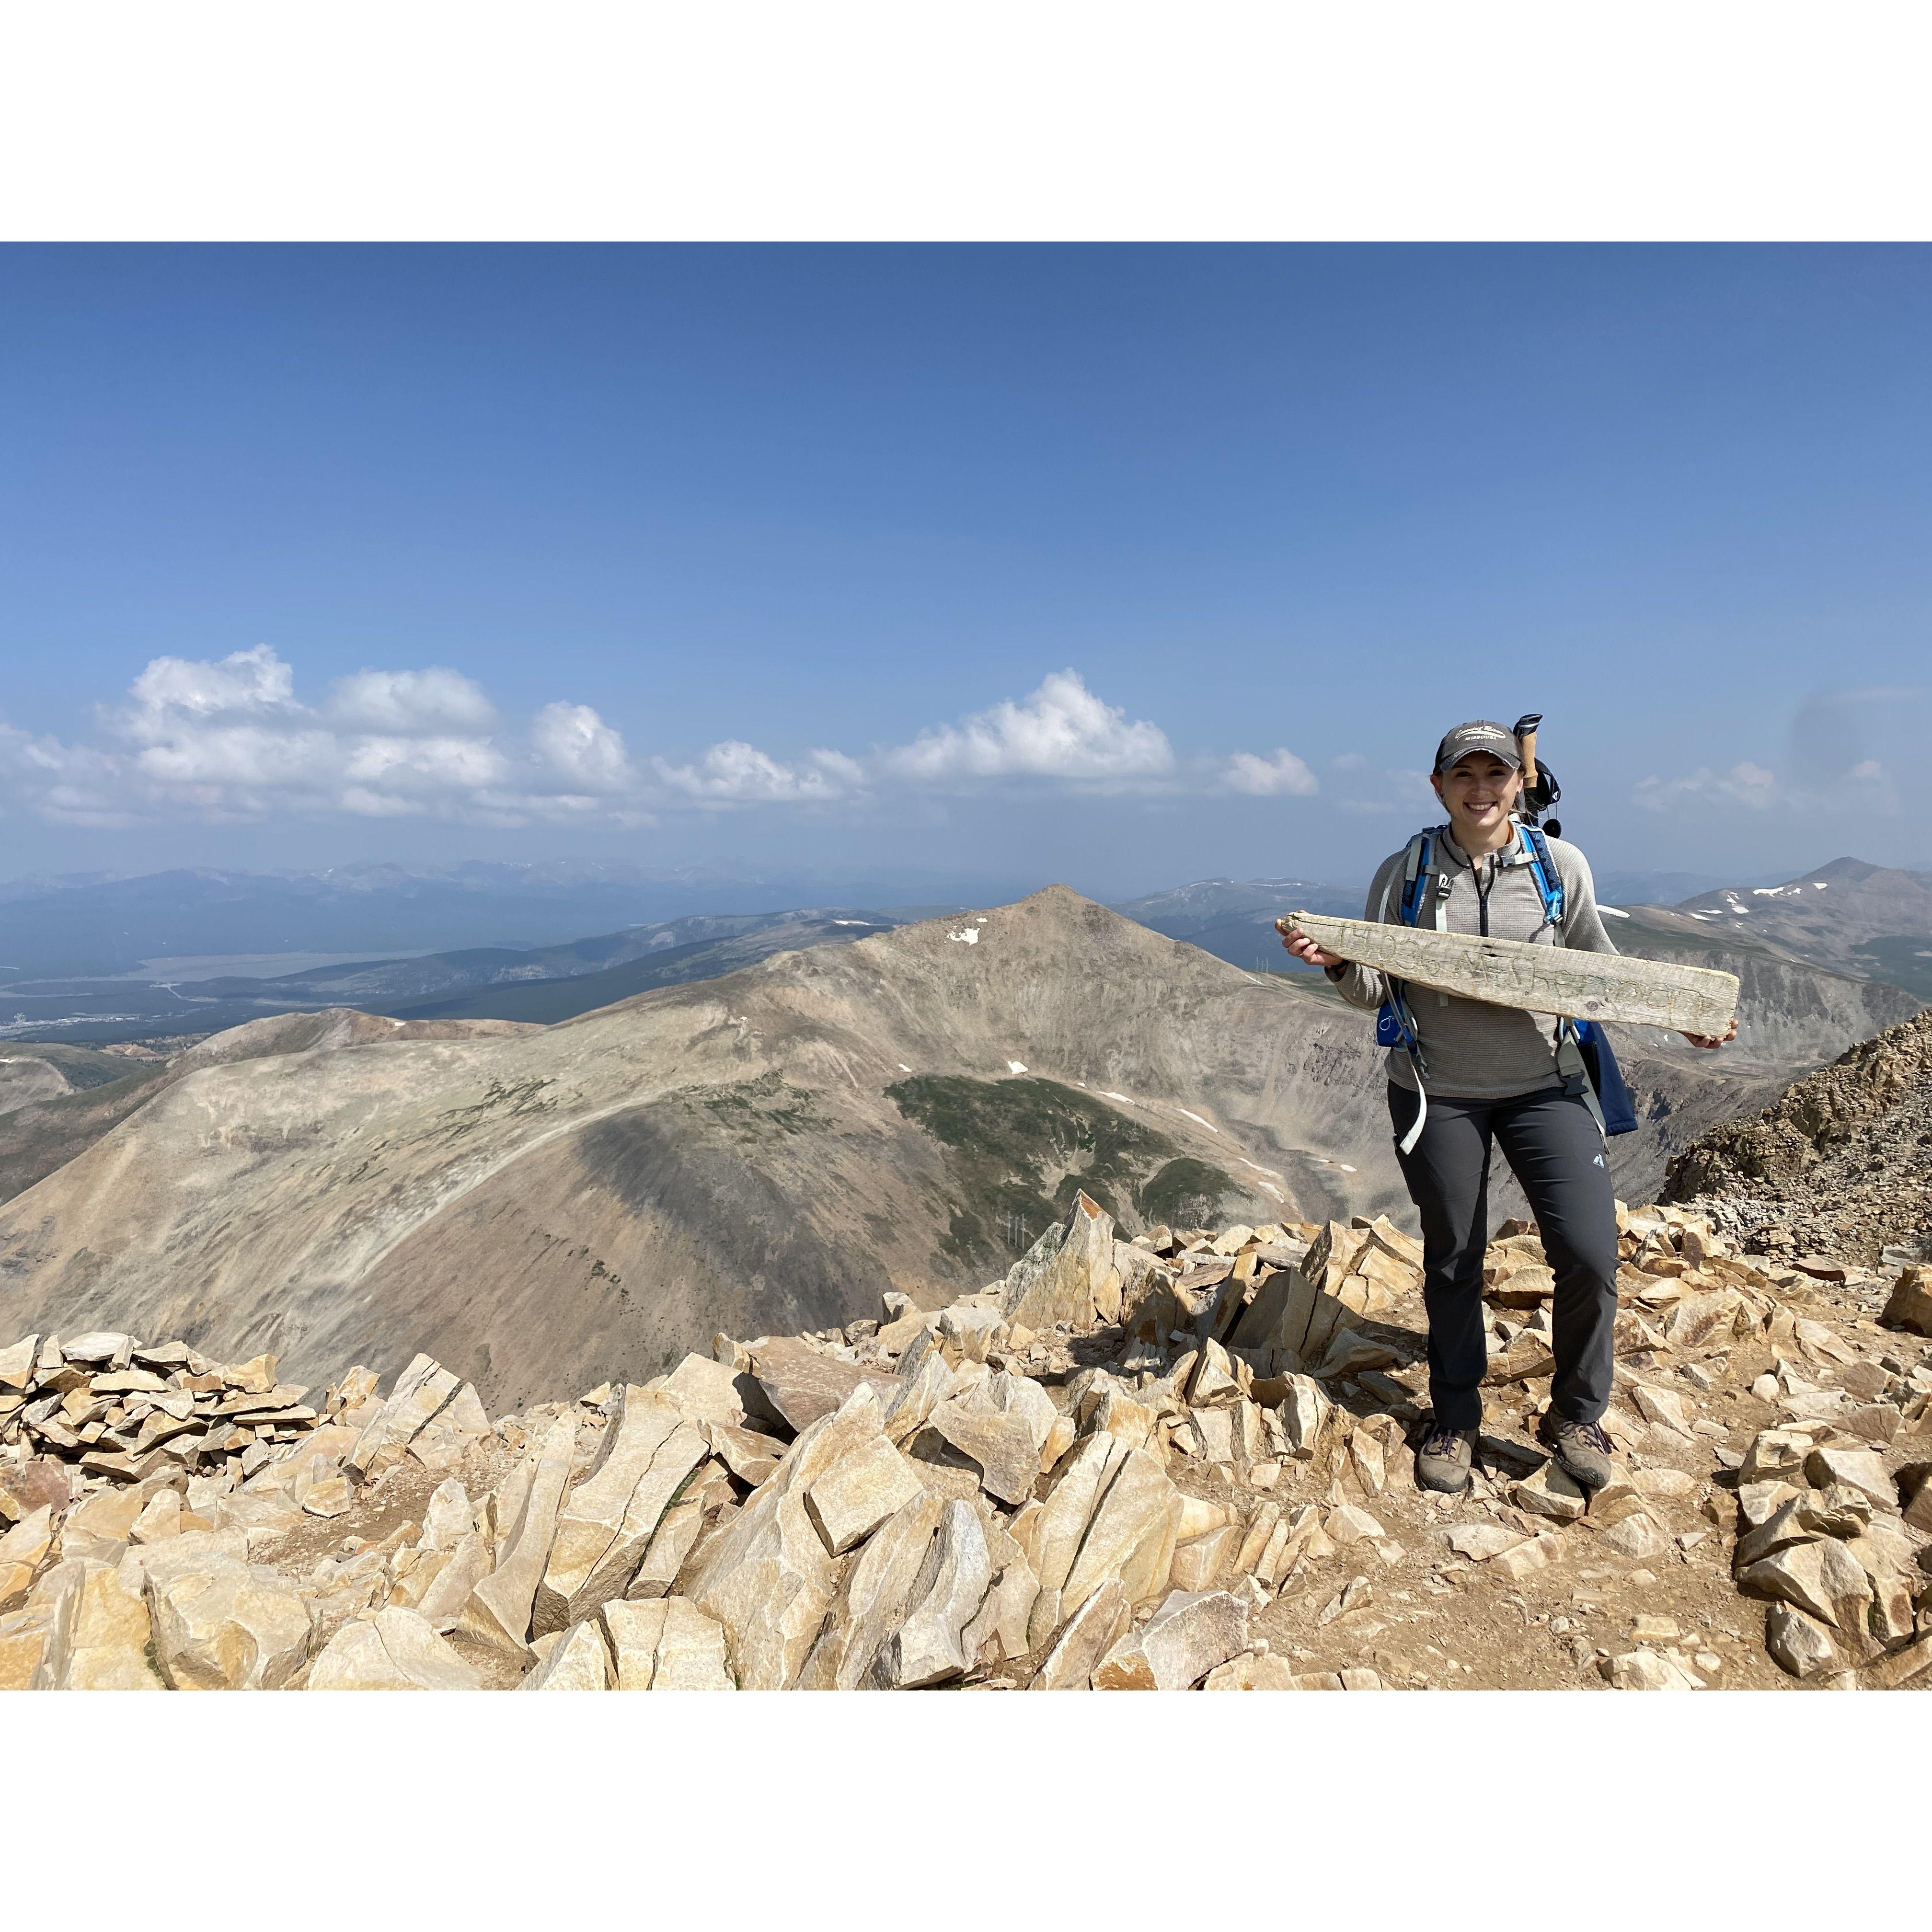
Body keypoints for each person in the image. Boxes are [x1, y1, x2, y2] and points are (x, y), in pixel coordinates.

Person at [1282, 720, 1735, 1496]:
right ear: (1439, 787)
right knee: (1455, 1255)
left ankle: (1578, 1415)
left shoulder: (1559, 866)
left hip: (1545, 1085)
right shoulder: (1408, 871)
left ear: (1517, 785)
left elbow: (1599, 965)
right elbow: (1376, 989)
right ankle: (1455, 1417)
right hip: (1438, 1089)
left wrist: (1677, 1012)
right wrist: (1335, 966)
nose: (1482, 789)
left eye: (1496, 775)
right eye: (1466, 776)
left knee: (1590, 1253)